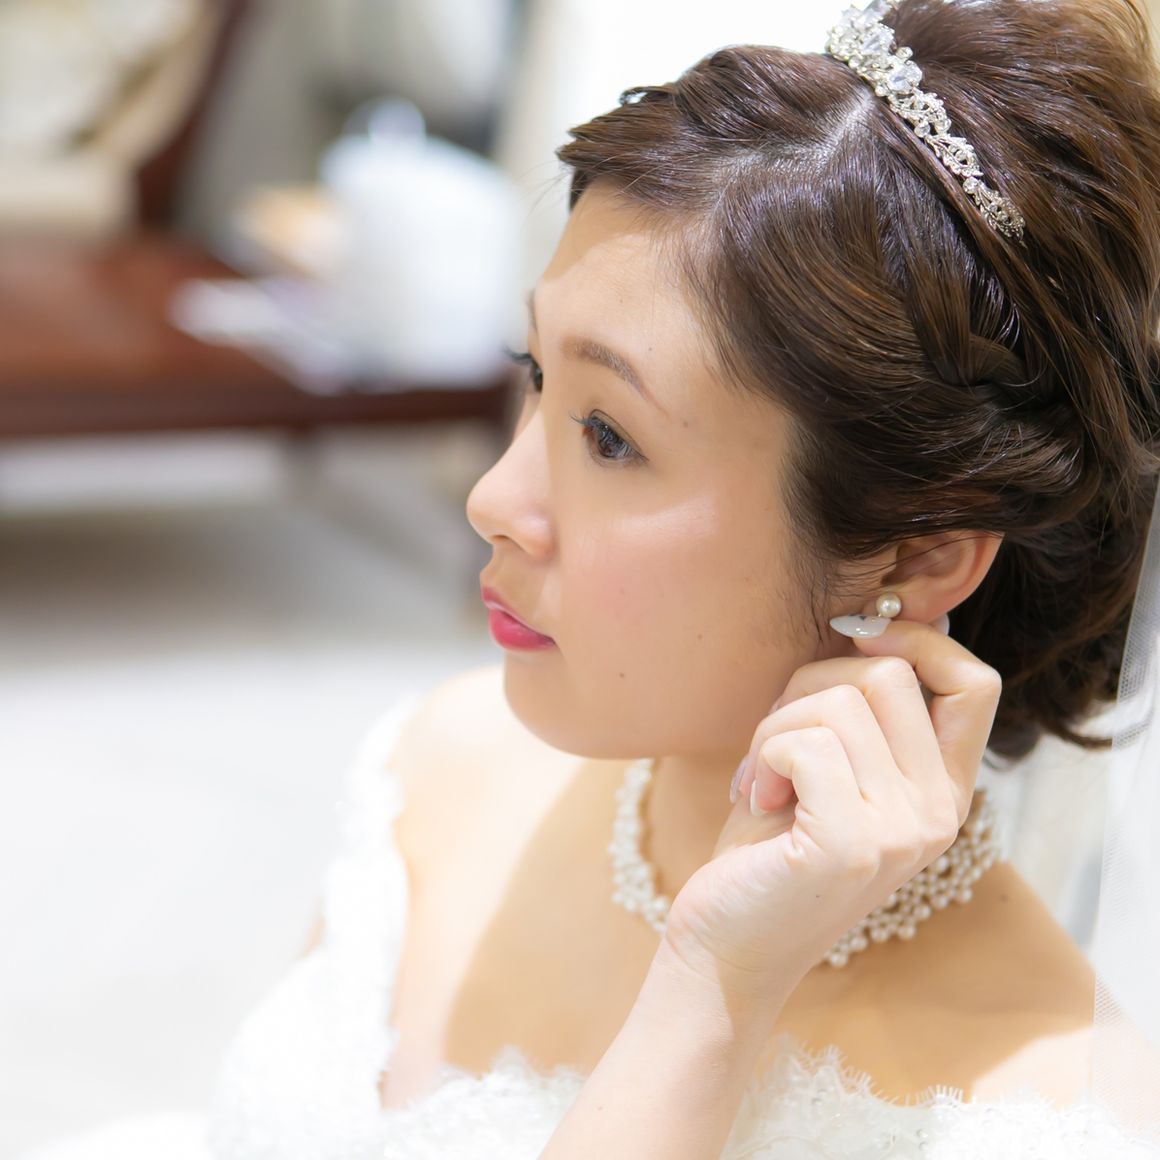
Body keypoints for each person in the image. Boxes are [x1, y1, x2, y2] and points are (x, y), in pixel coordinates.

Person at [21, 0, 1160, 1156]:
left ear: (918, 554)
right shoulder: (443, 761)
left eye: (610, 435)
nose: (491, 498)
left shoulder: (1043, 1113)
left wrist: (711, 988)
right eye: (534, 374)